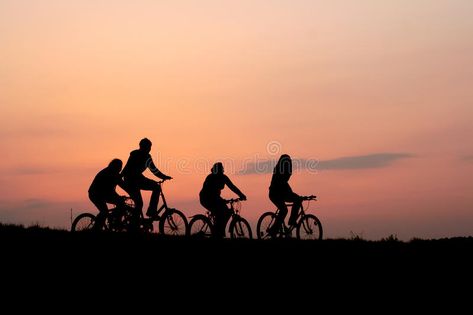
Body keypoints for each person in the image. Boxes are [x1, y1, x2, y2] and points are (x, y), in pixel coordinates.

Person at [121, 138, 172, 219]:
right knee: (140, 202)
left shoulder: (145, 156)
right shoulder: (136, 155)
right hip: (132, 180)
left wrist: (164, 176)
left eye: (150, 147)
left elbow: (154, 170)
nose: (149, 149)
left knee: (153, 189)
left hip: (137, 179)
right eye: (148, 147)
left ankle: (148, 213)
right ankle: (143, 217)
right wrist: (119, 177)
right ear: (143, 146)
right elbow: (127, 167)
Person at [199, 162, 247, 238]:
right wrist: (220, 200)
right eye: (221, 169)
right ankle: (216, 232)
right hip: (206, 198)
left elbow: (232, 187)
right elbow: (209, 191)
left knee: (226, 212)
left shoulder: (224, 177)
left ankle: (219, 231)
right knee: (219, 212)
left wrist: (241, 195)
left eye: (222, 169)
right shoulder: (210, 177)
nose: (222, 171)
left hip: (216, 198)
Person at [268, 154, 302, 236]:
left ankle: (289, 222)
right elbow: (283, 186)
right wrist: (294, 195)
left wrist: (293, 195)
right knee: (284, 210)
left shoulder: (282, 172)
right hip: (276, 194)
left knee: (295, 201)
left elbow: (286, 187)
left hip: (278, 194)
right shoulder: (280, 174)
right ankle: (275, 229)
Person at [88, 158, 127, 230]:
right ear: (115, 166)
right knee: (104, 211)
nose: (120, 169)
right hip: (96, 194)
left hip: (103, 193)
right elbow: (119, 187)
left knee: (119, 203)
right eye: (120, 167)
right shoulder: (110, 173)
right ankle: (96, 229)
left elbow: (115, 188)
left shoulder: (112, 172)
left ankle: (113, 220)